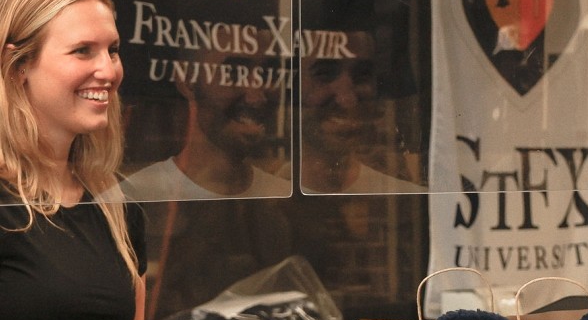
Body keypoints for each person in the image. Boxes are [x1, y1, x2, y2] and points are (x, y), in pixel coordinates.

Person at [0, 0, 171, 320]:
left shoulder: (115, 206)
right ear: (18, 66)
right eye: (83, 51)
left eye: (112, 50)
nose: (108, 70)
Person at [122, 41, 292, 200]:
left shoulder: (283, 197)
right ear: (188, 81)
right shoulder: (136, 197)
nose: (256, 97)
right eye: (233, 73)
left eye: (268, 74)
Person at [299, 28, 424, 193]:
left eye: (362, 74)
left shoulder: (404, 198)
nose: (347, 100)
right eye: (324, 74)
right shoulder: (273, 194)